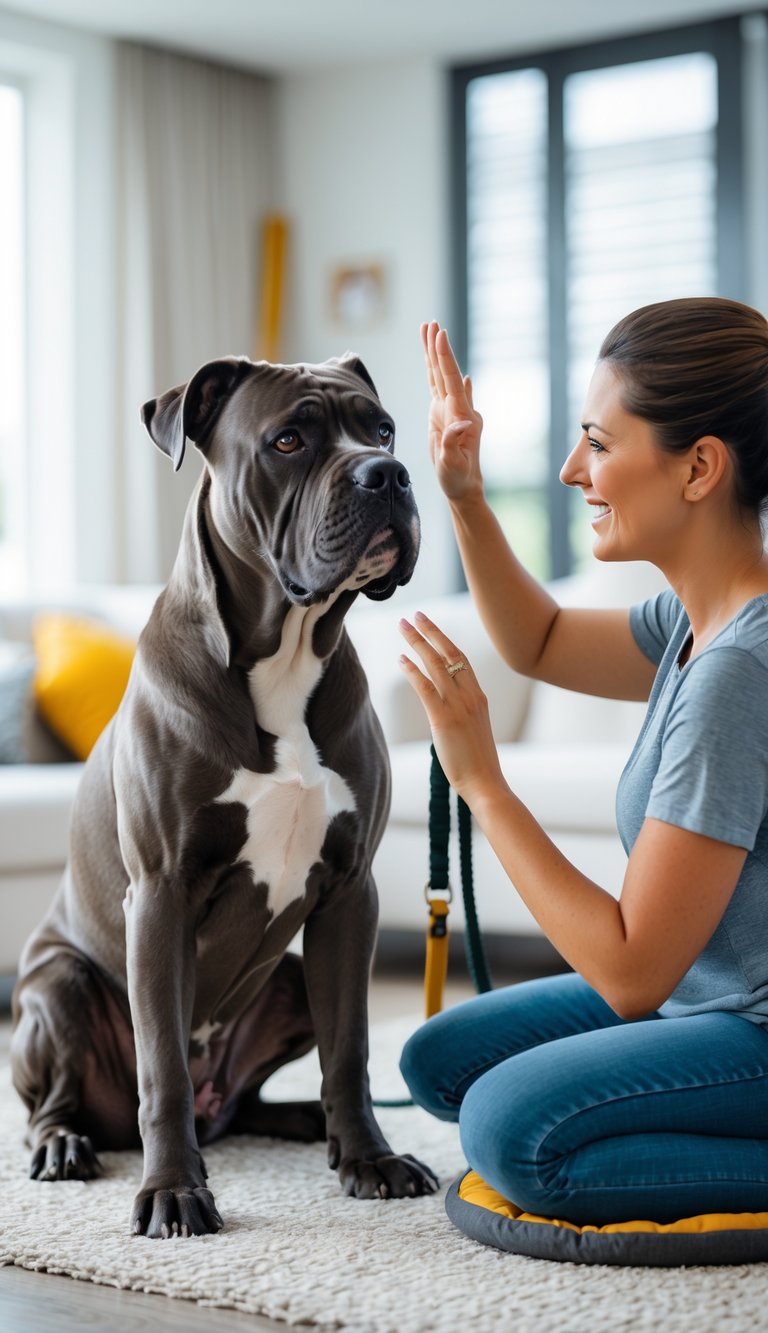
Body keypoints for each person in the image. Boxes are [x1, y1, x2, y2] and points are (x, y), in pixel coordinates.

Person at [397, 298, 768, 1226]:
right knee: (438, 1061)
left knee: (512, 1129)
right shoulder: (693, 618)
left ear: (699, 467)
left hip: (748, 1028)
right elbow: (542, 639)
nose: (572, 471)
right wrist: (464, 494)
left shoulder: (738, 672)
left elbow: (633, 970)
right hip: (700, 1002)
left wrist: (482, 780)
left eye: (599, 443)